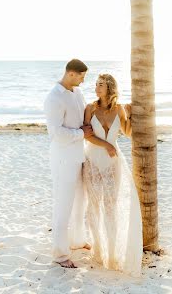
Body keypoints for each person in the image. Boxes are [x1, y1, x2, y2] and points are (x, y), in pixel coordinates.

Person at [43, 59, 106, 268]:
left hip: (79, 155)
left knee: (80, 201)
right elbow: (56, 132)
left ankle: (77, 240)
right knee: (63, 205)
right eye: (81, 76)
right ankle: (60, 255)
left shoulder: (77, 93)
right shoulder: (54, 98)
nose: (83, 80)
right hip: (63, 158)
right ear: (71, 74)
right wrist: (81, 133)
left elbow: (84, 118)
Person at [83, 74, 143, 276]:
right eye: (96, 85)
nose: (96, 88)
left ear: (109, 88)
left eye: (100, 85)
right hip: (92, 161)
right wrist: (107, 144)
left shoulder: (119, 109)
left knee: (111, 206)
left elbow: (127, 132)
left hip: (112, 163)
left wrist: (134, 113)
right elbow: (87, 134)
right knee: (94, 204)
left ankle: (111, 253)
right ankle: (98, 250)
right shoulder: (90, 108)